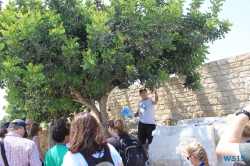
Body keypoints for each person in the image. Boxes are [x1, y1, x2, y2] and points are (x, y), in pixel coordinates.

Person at [133, 87, 158, 152]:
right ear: (140, 94)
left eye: (145, 92)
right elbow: (138, 112)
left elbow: (155, 101)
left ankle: (153, 156)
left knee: (152, 141)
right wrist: (132, 115)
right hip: (141, 124)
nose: (144, 94)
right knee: (141, 142)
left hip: (150, 125)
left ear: (147, 93)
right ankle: (145, 158)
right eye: (142, 93)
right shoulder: (139, 103)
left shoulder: (150, 100)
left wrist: (156, 93)